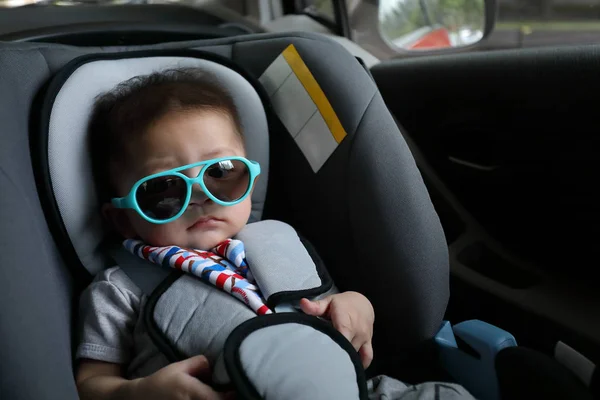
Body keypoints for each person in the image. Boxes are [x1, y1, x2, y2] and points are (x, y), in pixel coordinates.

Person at [75, 67, 475, 400]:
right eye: (162, 190)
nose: (200, 197)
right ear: (122, 219)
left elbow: (328, 308)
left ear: (250, 175)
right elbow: (90, 383)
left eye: (221, 174)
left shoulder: (278, 244)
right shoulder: (120, 288)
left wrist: (357, 307)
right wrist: (139, 392)